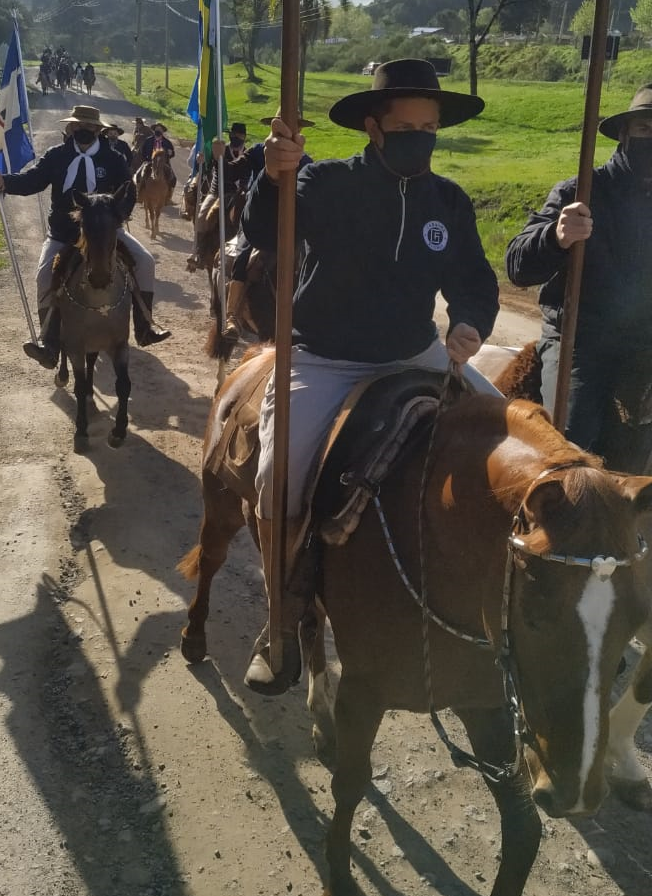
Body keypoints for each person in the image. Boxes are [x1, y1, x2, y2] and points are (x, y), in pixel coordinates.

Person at [240, 59, 501, 695]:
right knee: (280, 476)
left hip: (415, 353)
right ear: (373, 127)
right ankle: (281, 615)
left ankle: (509, 592)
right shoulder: (322, 183)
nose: (421, 137)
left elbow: (473, 280)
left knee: (511, 429)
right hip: (325, 357)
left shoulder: (449, 200)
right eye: (406, 125)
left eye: (430, 127)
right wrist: (273, 178)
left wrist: (468, 324)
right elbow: (261, 231)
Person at [505, 83, 652, 452]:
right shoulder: (581, 192)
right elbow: (517, 267)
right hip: (581, 344)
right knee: (571, 445)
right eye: (645, 128)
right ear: (624, 133)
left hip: (644, 346)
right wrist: (556, 237)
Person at [0, 104, 170, 368]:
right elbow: (33, 181)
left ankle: (144, 327)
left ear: (98, 129)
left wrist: (116, 218)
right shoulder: (56, 155)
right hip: (64, 233)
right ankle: (49, 344)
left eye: (90, 126)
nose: (84, 130)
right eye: (79, 126)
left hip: (105, 234)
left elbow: (128, 192)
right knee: (44, 275)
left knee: (146, 261)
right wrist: (3, 181)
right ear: (71, 127)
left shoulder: (113, 157)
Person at [213, 111, 314, 339]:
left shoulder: (306, 163)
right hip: (258, 220)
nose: (291, 131)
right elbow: (233, 170)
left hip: (293, 224)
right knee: (244, 255)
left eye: (296, 126)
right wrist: (218, 158)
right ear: (274, 126)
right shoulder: (258, 151)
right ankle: (232, 317)